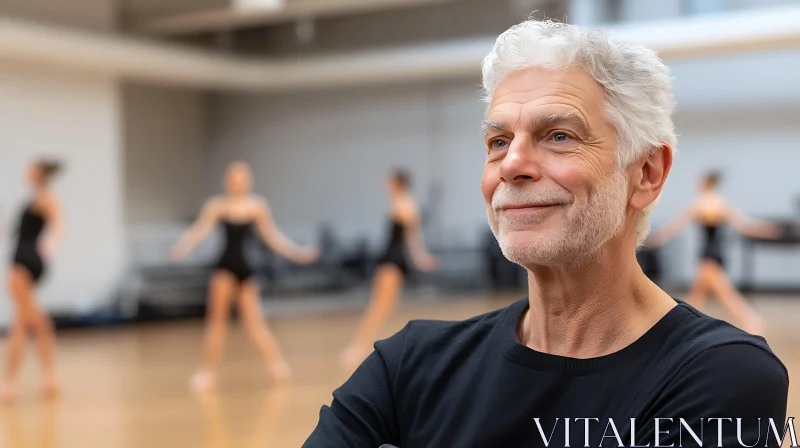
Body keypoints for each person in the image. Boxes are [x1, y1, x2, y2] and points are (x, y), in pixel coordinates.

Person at [303, 20, 788, 447]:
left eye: (559, 135)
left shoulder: (722, 376)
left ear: (645, 174)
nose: (512, 164)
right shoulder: (409, 365)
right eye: (498, 142)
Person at [171, 161, 318, 391]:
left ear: (249, 180)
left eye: (243, 177)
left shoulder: (257, 206)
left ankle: (277, 365)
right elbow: (200, 230)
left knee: (255, 321)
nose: (238, 182)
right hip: (224, 269)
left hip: (246, 269)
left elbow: (272, 237)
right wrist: (183, 246)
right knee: (217, 322)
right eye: (234, 177)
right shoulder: (217, 205)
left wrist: (297, 253)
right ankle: (208, 373)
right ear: (227, 180)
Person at [647, 171, 780, 335]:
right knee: (698, 296)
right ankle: (684, 327)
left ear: (706, 183)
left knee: (724, 296)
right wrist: (768, 230)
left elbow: (675, 227)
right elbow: (746, 226)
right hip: (715, 255)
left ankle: (753, 321)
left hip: (708, 257)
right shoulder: (722, 204)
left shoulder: (700, 204)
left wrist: (655, 239)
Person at [339, 169, 437, 368]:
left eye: (389, 181)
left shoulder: (405, 204)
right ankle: (372, 347)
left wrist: (420, 257)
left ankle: (358, 347)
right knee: (386, 306)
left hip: (392, 261)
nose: (385, 185)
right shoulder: (400, 202)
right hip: (391, 259)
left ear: (397, 183)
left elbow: (412, 236)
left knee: (378, 306)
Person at [1, 160, 65, 403]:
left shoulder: (46, 197)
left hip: (24, 264)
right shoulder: (34, 198)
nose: (26, 172)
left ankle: (8, 383)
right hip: (26, 261)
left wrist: (50, 246)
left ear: (39, 173)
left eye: (30, 168)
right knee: (37, 320)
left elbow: (60, 225)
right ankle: (51, 376)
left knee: (19, 323)